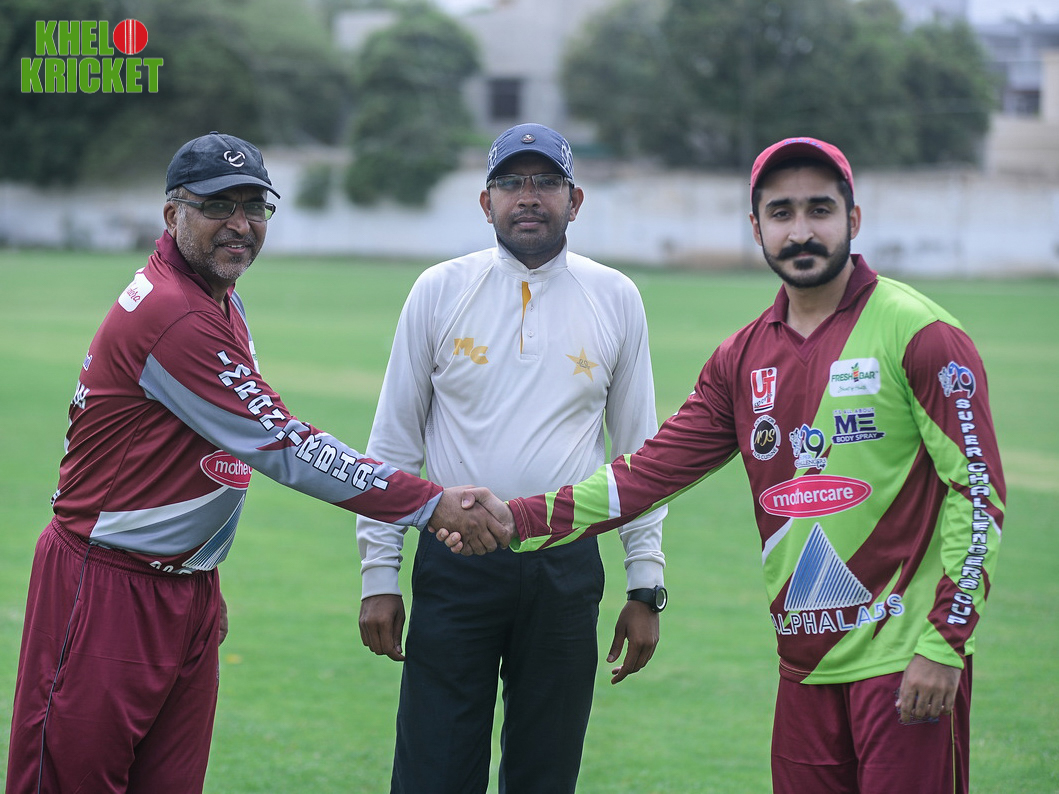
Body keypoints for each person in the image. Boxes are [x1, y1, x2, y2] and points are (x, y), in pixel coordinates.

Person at [449, 136, 1005, 794]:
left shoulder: (921, 334)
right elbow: (646, 474)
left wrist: (943, 643)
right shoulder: (741, 358)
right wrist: (518, 519)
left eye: (820, 210)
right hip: (803, 668)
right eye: (780, 213)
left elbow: (978, 496)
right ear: (756, 228)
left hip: (907, 661)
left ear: (853, 219)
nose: (800, 231)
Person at [5, 131, 506, 794]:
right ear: (172, 214)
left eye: (255, 207)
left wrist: (196, 574)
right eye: (218, 206)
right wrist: (428, 502)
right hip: (106, 586)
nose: (240, 225)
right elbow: (285, 445)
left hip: (182, 586)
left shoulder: (218, 300)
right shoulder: (174, 314)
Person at [355, 122, 667, 794]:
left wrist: (645, 584)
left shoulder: (615, 296)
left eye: (546, 182)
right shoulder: (439, 290)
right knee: (434, 771)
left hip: (565, 567)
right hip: (454, 562)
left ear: (574, 200)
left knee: (544, 773)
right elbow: (392, 444)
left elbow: (639, 456)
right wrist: (378, 574)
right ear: (485, 201)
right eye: (510, 183)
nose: (529, 197)